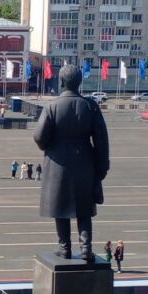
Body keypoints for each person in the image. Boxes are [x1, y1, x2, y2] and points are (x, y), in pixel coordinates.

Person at [34, 64, 110, 261]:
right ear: (79, 82)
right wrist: (101, 168)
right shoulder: (90, 106)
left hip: (57, 164)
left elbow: (39, 137)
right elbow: (101, 140)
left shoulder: (52, 106)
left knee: (61, 208)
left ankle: (64, 247)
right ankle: (86, 249)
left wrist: (49, 146)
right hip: (85, 163)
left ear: (61, 81)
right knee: (84, 209)